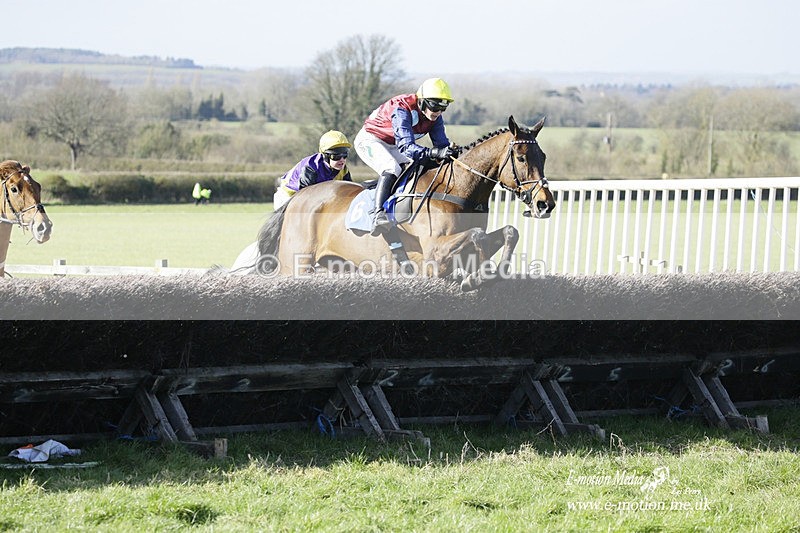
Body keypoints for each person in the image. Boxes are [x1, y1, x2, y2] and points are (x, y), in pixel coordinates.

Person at [354, 77, 457, 235]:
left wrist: (451, 153)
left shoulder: (435, 117)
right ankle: (378, 215)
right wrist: (434, 153)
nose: (438, 112)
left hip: (393, 145)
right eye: (435, 107)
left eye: (443, 108)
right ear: (422, 101)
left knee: (421, 167)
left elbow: (441, 145)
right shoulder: (402, 108)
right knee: (391, 167)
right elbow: (406, 147)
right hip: (371, 139)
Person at [273, 130, 352, 209]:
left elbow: (349, 193)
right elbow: (305, 198)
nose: (342, 160)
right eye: (336, 156)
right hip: (287, 198)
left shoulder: (343, 170)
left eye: (345, 155)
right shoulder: (311, 168)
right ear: (325, 156)